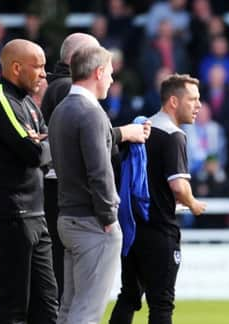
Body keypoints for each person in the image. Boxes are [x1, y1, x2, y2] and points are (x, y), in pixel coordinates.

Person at [99, 74, 207, 324]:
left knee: (129, 295)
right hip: (160, 230)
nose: (198, 105)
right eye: (193, 99)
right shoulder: (174, 136)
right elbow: (178, 186)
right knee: (161, 301)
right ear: (174, 101)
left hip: (132, 229)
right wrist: (195, 204)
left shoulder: (140, 130)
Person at [41, 32, 149, 303]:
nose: (109, 77)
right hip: (75, 203)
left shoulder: (61, 89)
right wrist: (124, 133)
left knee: (68, 297)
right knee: (79, 301)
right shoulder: (72, 93)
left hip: (63, 198)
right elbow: (93, 153)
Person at [0, 39, 57, 324]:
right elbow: (34, 150)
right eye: (39, 66)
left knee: (47, 300)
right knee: (13, 301)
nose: (44, 74)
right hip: (11, 214)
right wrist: (42, 143)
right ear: (16, 68)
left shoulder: (28, 103)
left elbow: (43, 150)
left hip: (36, 213)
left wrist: (41, 143)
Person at [48, 45, 122, 324]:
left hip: (68, 215)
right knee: (85, 310)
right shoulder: (89, 112)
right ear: (96, 72)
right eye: (109, 71)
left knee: (70, 306)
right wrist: (109, 217)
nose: (111, 78)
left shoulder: (62, 108)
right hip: (93, 222)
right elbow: (100, 172)